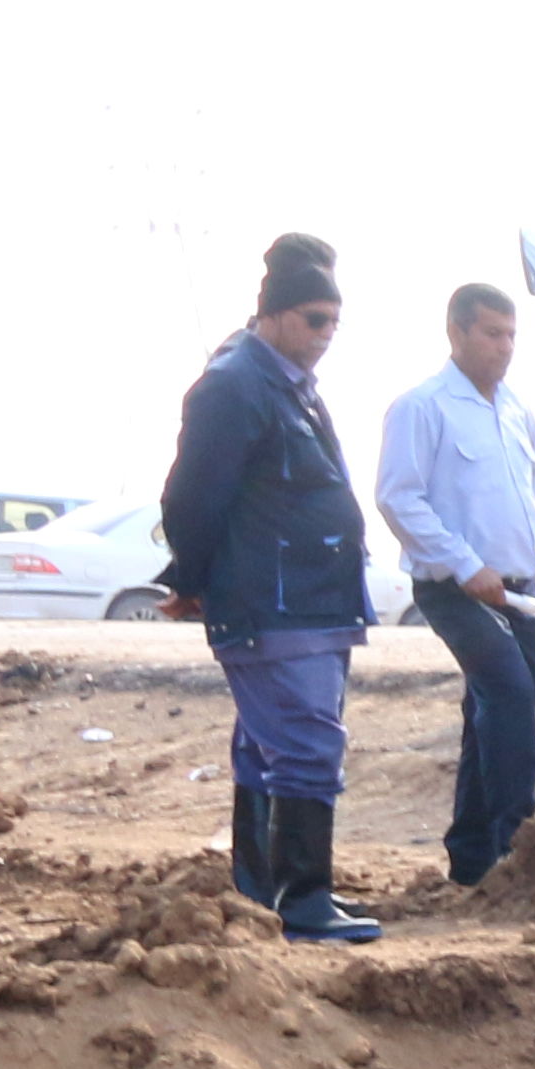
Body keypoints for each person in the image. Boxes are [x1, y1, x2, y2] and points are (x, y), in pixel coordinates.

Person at [159, 235, 383, 943]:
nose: (325, 338)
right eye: (314, 321)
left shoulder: (285, 382)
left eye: (333, 325)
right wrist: (192, 581)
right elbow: (190, 499)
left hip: (312, 598)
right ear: (276, 314)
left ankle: (262, 892)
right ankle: (304, 898)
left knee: (268, 745)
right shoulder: (235, 385)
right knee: (307, 742)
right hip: (273, 602)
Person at [374, 281, 535, 888]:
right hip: (455, 587)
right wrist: (464, 561)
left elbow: (531, 485)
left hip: (520, 589)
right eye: (491, 333)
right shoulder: (422, 407)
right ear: (457, 333)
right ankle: (520, 845)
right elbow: (398, 497)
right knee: (507, 689)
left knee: (499, 703)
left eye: (511, 335)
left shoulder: (517, 409)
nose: (504, 347)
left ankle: (472, 858)